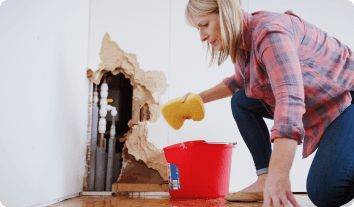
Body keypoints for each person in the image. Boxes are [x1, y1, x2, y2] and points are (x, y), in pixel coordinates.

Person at [181, 0, 354, 206]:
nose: (202, 37)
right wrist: (198, 99)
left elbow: (289, 99)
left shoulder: (270, 33)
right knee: (242, 100)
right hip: (322, 102)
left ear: (225, 14)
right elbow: (239, 82)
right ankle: (264, 178)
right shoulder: (243, 41)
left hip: (346, 99)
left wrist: (279, 175)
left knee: (325, 193)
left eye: (204, 25)